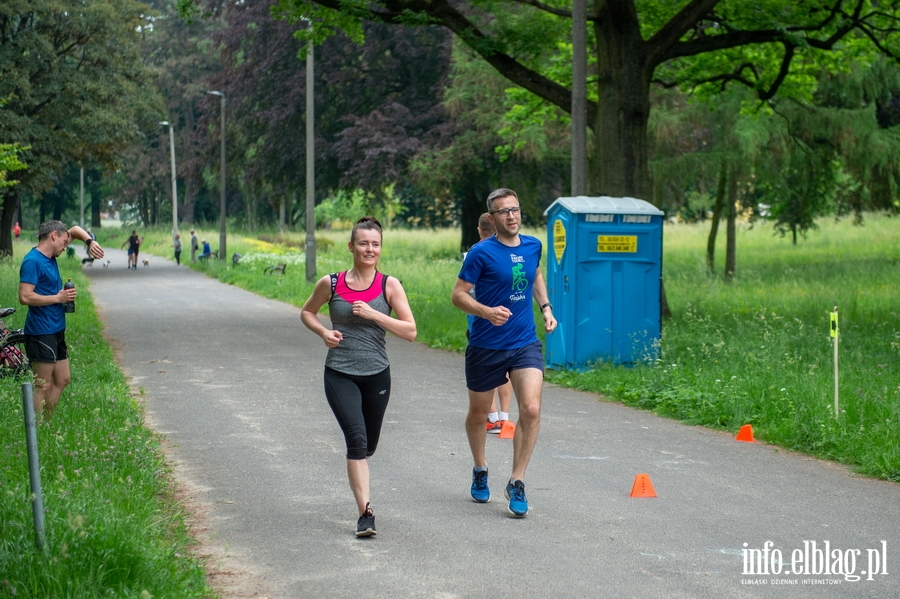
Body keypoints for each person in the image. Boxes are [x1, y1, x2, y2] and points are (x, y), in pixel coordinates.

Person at [300, 216, 417, 537]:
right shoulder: (331, 283)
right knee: (356, 442)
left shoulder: (389, 286)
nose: (369, 249)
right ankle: (365, 514)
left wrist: (374, 313)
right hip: (339, 372)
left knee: (369, 446)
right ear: (351, 246)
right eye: (363, 243)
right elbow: (307, 312)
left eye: (375, 244)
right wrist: (323, 331)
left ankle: (362, 483)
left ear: (381, 248)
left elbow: (411, 331)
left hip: (377, 374)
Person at [451, 188, 557, 517]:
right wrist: (485, 311)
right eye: (503, 212)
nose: (511, 216)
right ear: (492, 219)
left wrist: (546, 308)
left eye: (515, 209)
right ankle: (480, 468)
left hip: (524, 342)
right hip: (486, 345)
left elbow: (535, 274)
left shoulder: (532, 246)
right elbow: (458, 295)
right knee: (479, 415)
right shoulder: (480, 254)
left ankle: (517, 480)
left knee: (532, 408)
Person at [18, 220, 104, 419]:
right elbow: (25, 296)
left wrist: (90, 242)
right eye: (64, 242)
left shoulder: (52, 254)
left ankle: (45, 423)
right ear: (54, 236)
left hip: (56, 329)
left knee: (63, 379)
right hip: (41, 331)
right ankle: (36, 430)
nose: (65, 247)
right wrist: (58, 298)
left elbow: (74, 230)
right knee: (42, 385)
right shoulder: (33, 261)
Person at [464, 212, 513, 434]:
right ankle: (505, 417)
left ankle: (491, 418)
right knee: (507, 369)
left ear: (478, 230)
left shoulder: (473, 254)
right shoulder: (507, 252)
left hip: (480, 320)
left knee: (488, 366)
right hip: (510, 316)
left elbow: (466, 292)